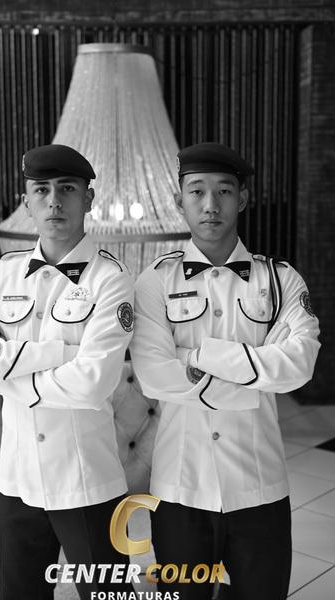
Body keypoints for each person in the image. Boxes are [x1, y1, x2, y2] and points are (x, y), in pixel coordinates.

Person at [131, 142, 320, 600]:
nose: (210, 205)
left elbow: (299, 364)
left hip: (258, 485)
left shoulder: (280, 279)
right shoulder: (154, 280)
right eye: (196, 191)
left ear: (243, 199)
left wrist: (197, 356)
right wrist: (255, 375)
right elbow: (155, 376)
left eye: (224, 191)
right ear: (179, 201)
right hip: (180, 488)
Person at [0, 144, 135, 600]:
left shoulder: (111, 279)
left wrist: (6, 376)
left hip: (86, 480)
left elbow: (93, 383)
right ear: (27, 201)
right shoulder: (4, 274)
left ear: (88, 199)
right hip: (18, 478)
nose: (54, 201)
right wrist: (57, 353)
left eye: (67, 189)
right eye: (42, 190)